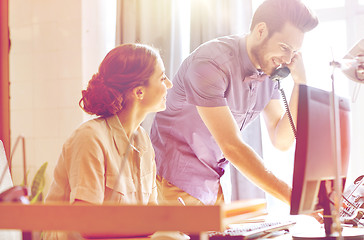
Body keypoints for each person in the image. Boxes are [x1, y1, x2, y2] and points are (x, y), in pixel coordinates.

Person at [150, 0, 319, 206]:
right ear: (261, 30)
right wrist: (294, 198)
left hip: (215, 184)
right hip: (175, 182)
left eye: (293, 52)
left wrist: (301, 84)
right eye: (284, 47)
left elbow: (281, 139)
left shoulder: (269, 72)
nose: (286, 58)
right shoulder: (211, 63)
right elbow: (231, 146)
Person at [43, 43, 172, 239]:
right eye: (162, 78)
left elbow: (150, 215)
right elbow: (87, 226)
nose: (169, 84)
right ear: (139, 92)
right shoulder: (90, 138)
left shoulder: (143, 141)